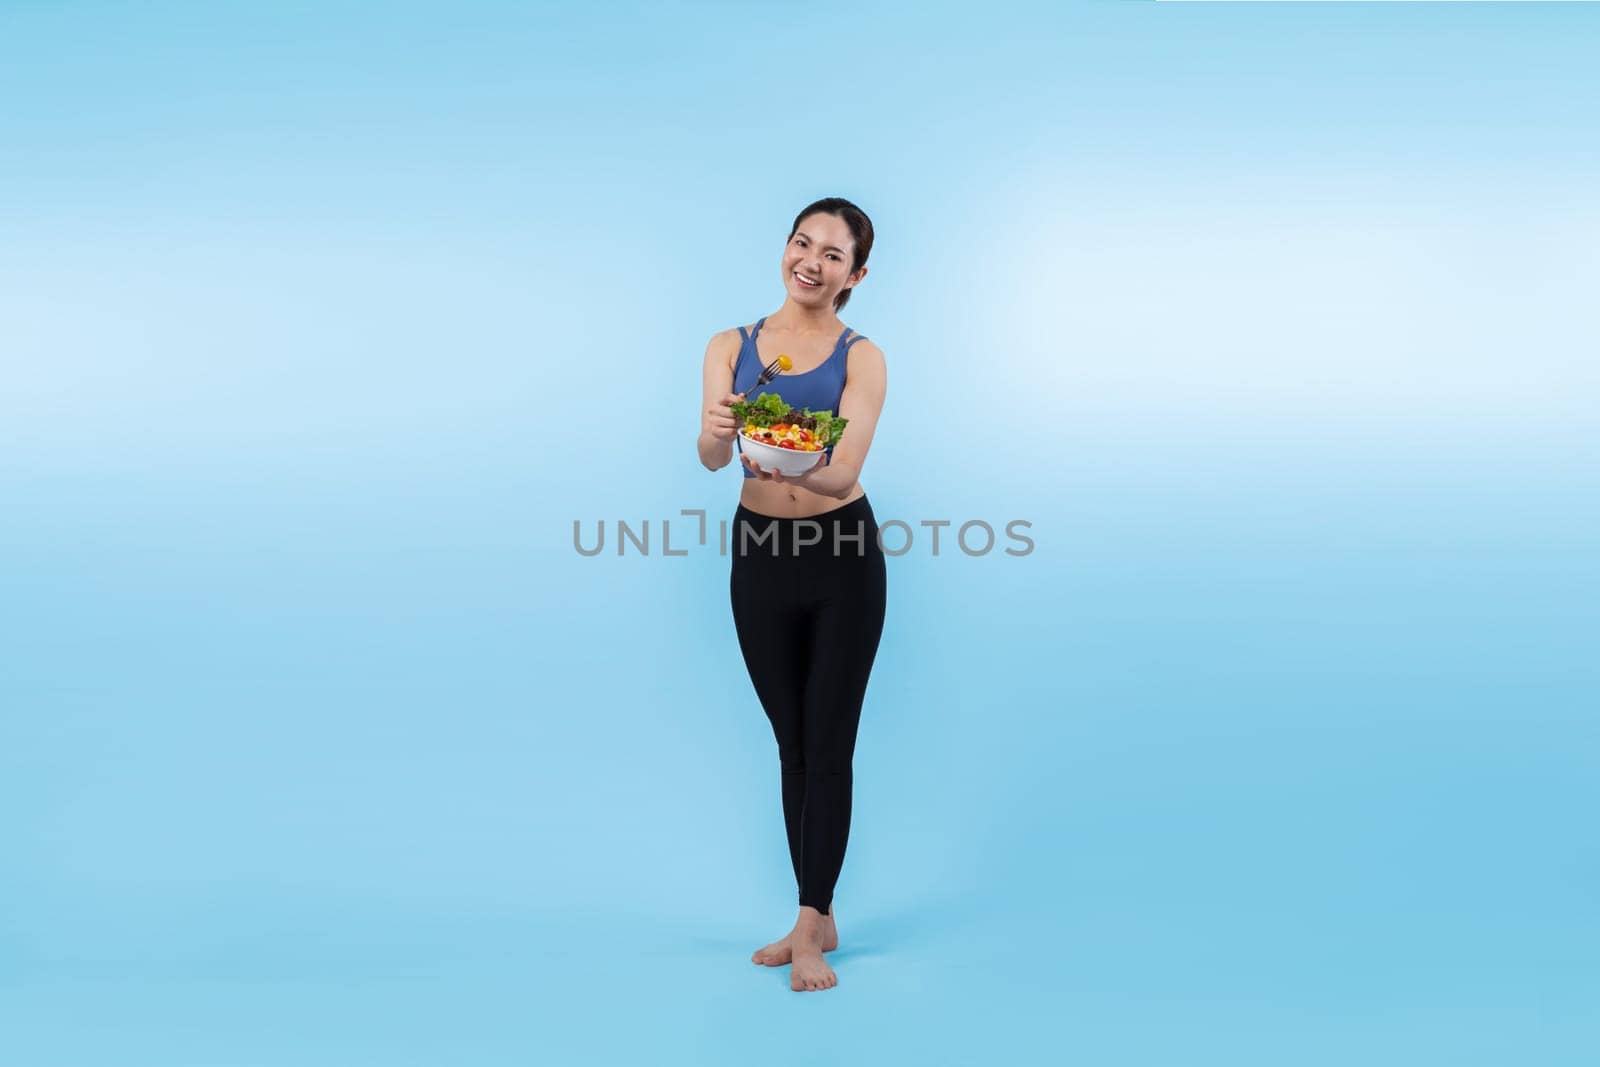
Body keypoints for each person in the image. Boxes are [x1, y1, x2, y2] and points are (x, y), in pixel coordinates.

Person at [695, 197, 889, 993]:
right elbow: (712, 457)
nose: (811, 260)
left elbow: (845, 470)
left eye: (833, 254)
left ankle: (810, 926)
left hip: (842, 553)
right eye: (802, 242)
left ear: (856, 274)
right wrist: (718, 426)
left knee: (830, 742)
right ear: (786, 249)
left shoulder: (862, 356)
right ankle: (819, 912)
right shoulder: (730, 345)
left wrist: (797, 459)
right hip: (759, 553)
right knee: (792, 745)